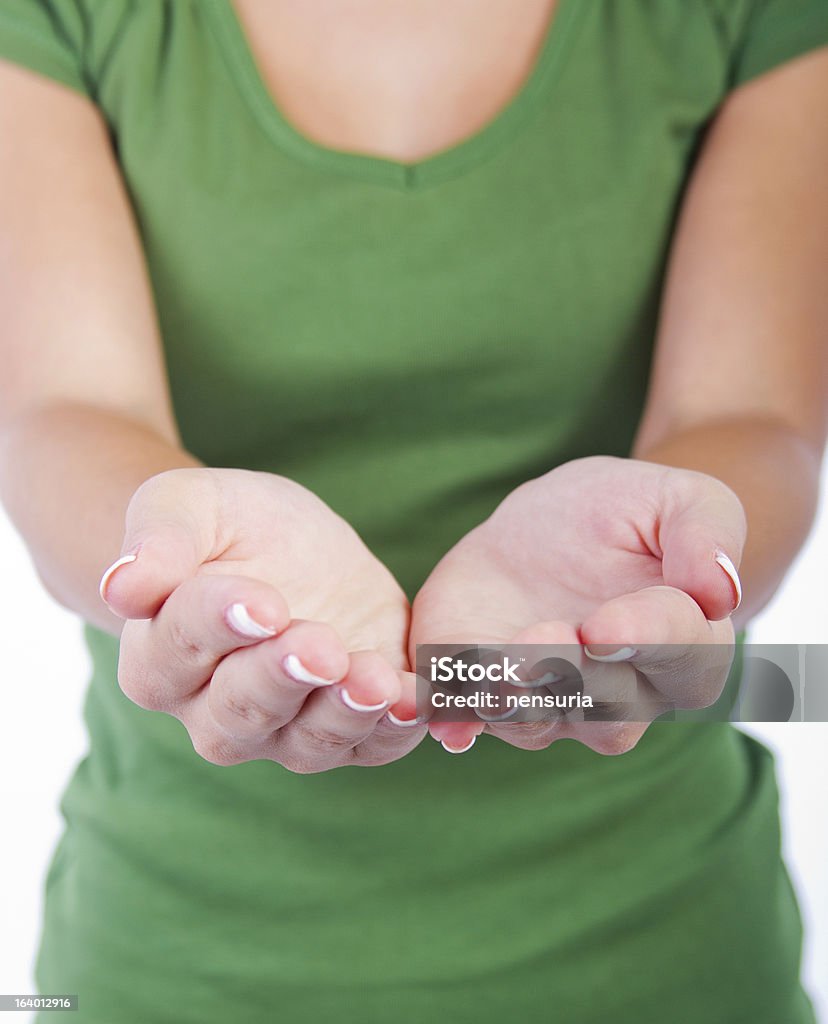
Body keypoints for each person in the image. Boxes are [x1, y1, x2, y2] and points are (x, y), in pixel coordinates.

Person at [0, 1, 826, 1021]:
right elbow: (65, 416)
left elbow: (749, 418)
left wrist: (671, 554)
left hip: (667, 954)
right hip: (184, 958)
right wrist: (179, 562)